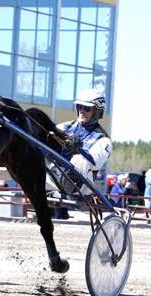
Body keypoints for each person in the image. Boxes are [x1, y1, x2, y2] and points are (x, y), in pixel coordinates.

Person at [49, 89, 113, 219]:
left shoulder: (103, 140)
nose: (82, 111)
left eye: (87, 108)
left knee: (79, 159)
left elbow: (93, 163)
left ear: (97, 111)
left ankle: (68, 189)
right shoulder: (64, 127)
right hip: (56, 176)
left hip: (82, 186)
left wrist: (78, 150)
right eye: (80, 106)